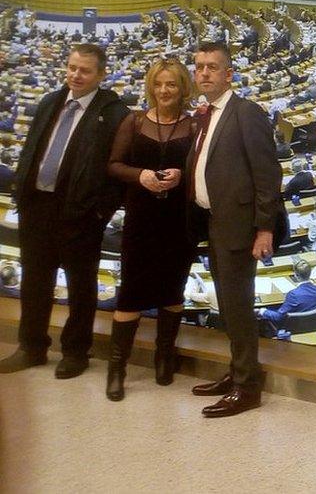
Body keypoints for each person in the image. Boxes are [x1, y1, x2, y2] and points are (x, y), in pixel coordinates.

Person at [0, 44, 129, 378]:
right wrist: (23, 195)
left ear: (101, 74)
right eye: (72, 68)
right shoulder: (50, 101)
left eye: (84, 71)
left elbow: (118, 170)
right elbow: (33, 148)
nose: (75, 75)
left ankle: (75, 352)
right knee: (35, 281)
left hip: (81, 214)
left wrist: (100, 213)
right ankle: (31, 347)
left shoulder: (114, 114)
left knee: (81, 286)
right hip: (38, 207)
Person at [185, 42, 284, 418]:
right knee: (227, 306)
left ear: (229, 74)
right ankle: (237, 371)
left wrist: (264, 230)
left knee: (238, 308)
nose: (204, 73)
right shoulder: (203, 115)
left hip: (241, 228)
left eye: (212, 67)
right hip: (213, 222)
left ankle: (248, 388)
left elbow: (267, 174)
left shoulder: (246, 112)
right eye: (199, 67)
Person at [103, 58, 197, 401]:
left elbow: (202, 168)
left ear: (182, 88)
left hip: (178, 222)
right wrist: (139, 176)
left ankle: (164, 357)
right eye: (158, 84)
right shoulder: (135, 120)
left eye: (171, 84)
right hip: (142, 220)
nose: (164, 91)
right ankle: (117, 369)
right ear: (150, 87)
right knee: (130, 294)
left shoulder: (193, 126)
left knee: (173, 293)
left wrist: (181, 176)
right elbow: (113, 165)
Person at [256, 259, 316, 331]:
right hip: (311, 324)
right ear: (310, 273)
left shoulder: (293, 295)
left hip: (293, 327)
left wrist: (261, 311)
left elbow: (278, 317)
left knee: (267, 309)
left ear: (296, 275)